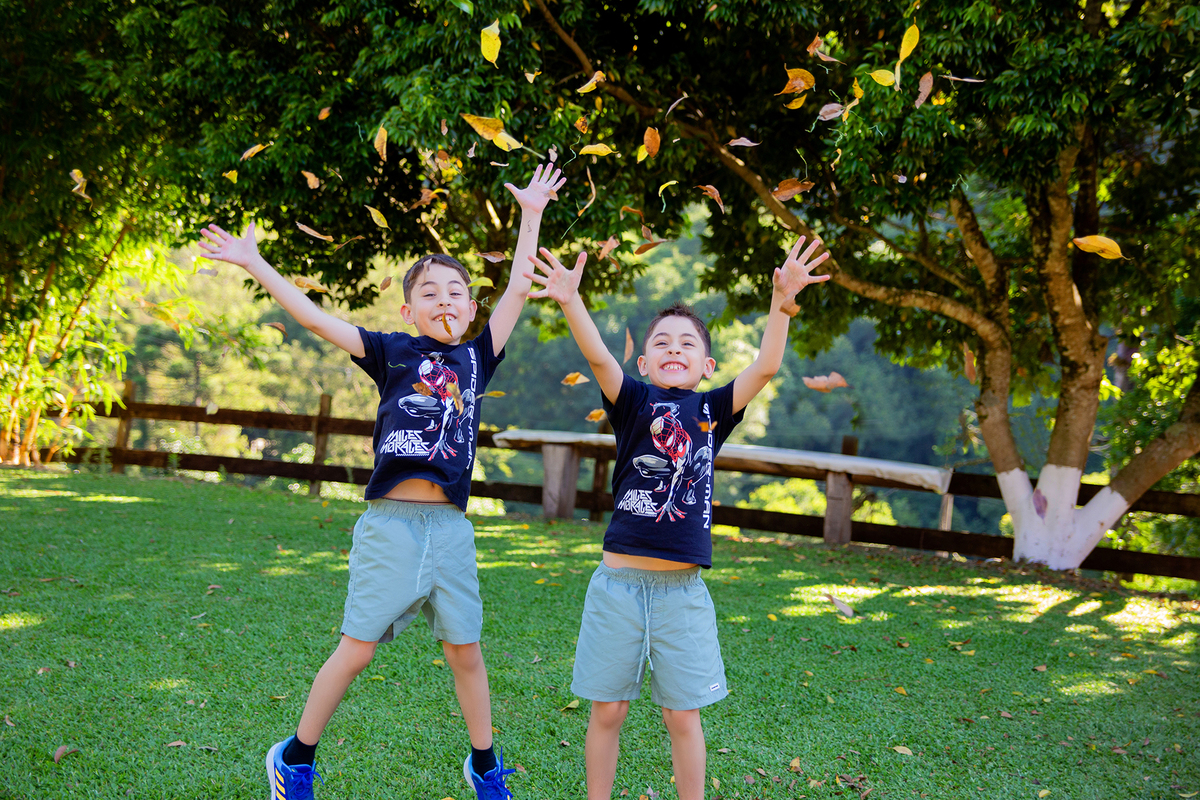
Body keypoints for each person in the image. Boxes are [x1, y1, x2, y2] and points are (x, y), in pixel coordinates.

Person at [197, 161, 567, 800]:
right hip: (391, 526)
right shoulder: (391, 350)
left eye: (455, 292)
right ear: (408, 308)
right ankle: (295, 756)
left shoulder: (477, 358)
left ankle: (484, 764)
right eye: (430, 293)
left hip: (450, 529)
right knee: (358, 648)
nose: (444, 301)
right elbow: (315, 320)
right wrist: (256, 265)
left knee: (466, 652)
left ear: (469, 306)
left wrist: (530, 215)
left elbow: (515, 292)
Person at [524, 236, 830, 800]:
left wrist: (781, 303)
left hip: (682, 594)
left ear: (706, 364)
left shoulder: (711, 411)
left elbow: (765, 366)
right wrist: (571, 300)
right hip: (617, 586)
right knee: (608, 710)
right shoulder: (635, 402)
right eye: (661, 342)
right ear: (643, 362)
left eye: (686, 343)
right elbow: (597, 357)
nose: (673, 348)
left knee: (682, 716)